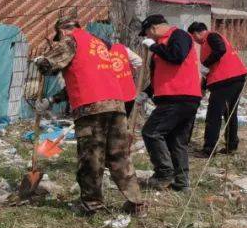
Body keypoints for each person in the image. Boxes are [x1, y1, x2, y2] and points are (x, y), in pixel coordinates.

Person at [33, 17, 144, 215]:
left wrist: (40, 61)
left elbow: (48, 66)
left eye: (58, 36)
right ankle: (136, 202)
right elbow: (84, 75)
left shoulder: (70, 40)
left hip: (91, 107)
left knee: (92, 156)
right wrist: (52, 100)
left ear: (63, 31)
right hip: (116, 104)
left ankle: (93, 205)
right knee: (119, 155)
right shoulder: (97, 43)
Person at [139, 14, 201, 191]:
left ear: (153, 28)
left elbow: (177, 56)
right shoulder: (162, 46)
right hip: (179, 97)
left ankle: (164, 173)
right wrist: (146, 92)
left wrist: (155, 47)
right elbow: (163, 75)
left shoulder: (178, 35)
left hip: (178, 97)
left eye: (147, 34)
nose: (148, 38)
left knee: (151, 133)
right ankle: (181, 183)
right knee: (176, 141)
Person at [188, 21, 247, 157]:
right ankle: (231, 146)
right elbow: (208, 71)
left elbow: (220, 50)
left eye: (193, 37)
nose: (195, 41)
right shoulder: (209, 41)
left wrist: (205, 64)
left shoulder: (211, 36)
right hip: (236, 78)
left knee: (213, 115)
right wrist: (202, 87)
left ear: (197, 33)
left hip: (225, 80)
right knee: (230, 113)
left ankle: (209, 150)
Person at [107, 39, 142, 118]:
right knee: (124, 121)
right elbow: (139, 61)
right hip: (129, 93)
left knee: (111, 124)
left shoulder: (99, 53)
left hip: (112, 96)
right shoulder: (121, 48)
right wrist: (129, 70)